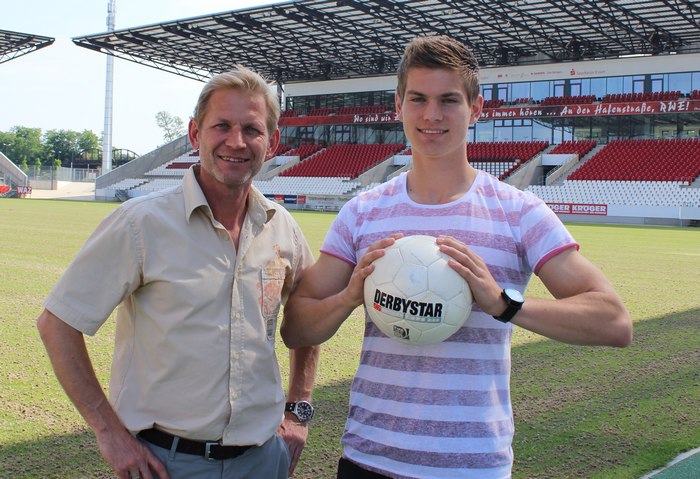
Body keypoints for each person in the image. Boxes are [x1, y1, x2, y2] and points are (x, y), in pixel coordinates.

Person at [280, 35, 632, 479]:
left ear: (476, 109)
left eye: (448, 100)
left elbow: (614, 322)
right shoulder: (362, 212)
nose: (431, 115)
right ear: (399, 105)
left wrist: (504, 304)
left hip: (471, 466)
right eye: (418, 99)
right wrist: (350, 296)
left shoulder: (517, 212)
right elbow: (296, 328)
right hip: (369, 459)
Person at [37, 65, 319, 479]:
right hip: (167, 464)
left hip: (263, 460)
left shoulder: (282, 227)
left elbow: (309, 317)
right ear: (194, 134)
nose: (236, 142)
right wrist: (109, 432)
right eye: (221, 125)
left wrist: (298, 409)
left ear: (272, 141)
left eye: (252, 129)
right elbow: (57, 324)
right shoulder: (141, 224)